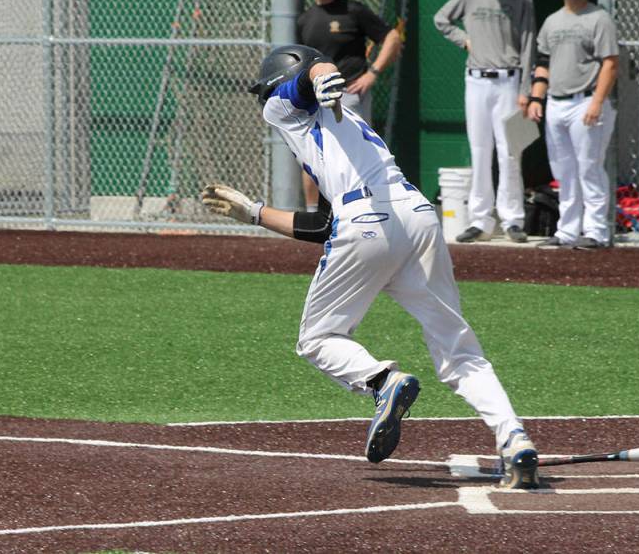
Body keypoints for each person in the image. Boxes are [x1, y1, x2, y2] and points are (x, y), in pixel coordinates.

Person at [200, 44, 539, 489]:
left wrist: (321, 73)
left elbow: (305, 77)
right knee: (458, 349)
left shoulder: (285, 108)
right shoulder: (344, 129)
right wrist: (256, 213)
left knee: (318, 338)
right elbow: (323, 224)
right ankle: (513, 437)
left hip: (367, 220)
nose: (263, 101)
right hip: (416, 214)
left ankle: (382, 381)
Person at [434, 0, 535, 244]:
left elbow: (528, 43)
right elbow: (441, 19)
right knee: (480, 150)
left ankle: (512, 219)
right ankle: (480, 220)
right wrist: (464, 40)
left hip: (509, 80)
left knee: (510, 151)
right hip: (477, 79)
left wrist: (526, 89)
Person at [296, 0, 403, 213]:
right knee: (311, 155)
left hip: (348, 95)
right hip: (314, 98)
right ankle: (314, 214)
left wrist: (372, 74)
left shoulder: (353, 11)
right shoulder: (305, 19)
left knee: (355, 153)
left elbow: (392, 38)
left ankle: (364, 208)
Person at [527, 0, 619, 249]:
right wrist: (536, 98)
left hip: (586, 100)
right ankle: (567, 231)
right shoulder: (552, 21)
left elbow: (611, 63)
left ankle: (596, 231)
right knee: (563, 171)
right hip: (556, 102)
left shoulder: (599, 18)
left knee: (589, 168)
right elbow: (543, 63)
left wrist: (597, 102)